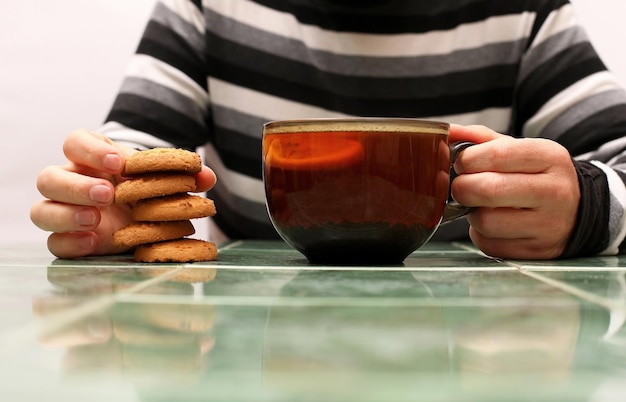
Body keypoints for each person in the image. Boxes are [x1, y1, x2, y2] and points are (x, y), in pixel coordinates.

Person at [30, 0, 626, 260]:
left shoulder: (527, 11)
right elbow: (134, 154)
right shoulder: (205, 6)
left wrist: (588, 206)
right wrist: (104, 200)